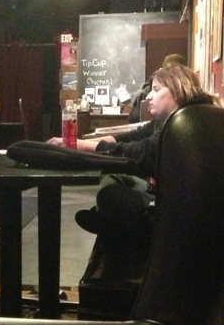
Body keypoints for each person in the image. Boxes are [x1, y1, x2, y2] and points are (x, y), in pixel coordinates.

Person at [49, 64, 214, 238]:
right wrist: (78, 143)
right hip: (164, 189)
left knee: (111, 195)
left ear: (178, 89)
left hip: (177, 205)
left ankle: (122, 224)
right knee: (113, 179)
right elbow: (129, 137)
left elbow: (143, 153)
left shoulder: (186, 123)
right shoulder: (171, 118)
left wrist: (83, 146)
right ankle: (111, 222)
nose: (148, 96)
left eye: (156, 89)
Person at [127, 53, 186, 123]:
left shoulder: (189, 94)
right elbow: (133, 120)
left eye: (156, 89)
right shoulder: (145, 92)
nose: (148, 97)